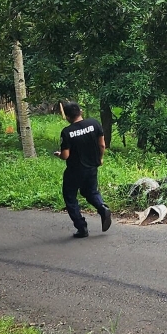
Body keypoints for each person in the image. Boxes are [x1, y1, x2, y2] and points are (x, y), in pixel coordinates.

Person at [54, 101, 112, 238]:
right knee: (90, 191)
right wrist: (100, 158)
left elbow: (65, 155)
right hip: (92, 167)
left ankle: (82, 228)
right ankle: (102, 208)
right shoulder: (94, 123)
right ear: (80, 112)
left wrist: (59, 154)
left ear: (67, 116)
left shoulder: (67, 132)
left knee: (70, 197)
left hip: (74, 170)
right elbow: (102, 145)